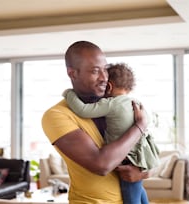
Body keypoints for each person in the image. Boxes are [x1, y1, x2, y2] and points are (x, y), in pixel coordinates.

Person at [41, 41, 149, 204]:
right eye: (95, 71)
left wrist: (144, 173)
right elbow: (101, 164)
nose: (104, 78)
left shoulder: (115, 103)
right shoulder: (56, 115)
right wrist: (140, 126)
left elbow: (145, 149)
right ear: (72, 73)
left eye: (105, 70)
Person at [62, 63, 160, 204]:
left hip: (126, 159)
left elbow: (83, 110)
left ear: (109, 87)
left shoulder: (112, 103)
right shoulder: (135, 102)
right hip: (139, 157)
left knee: (131, 198)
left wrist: (68, 93)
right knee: (138, 191)